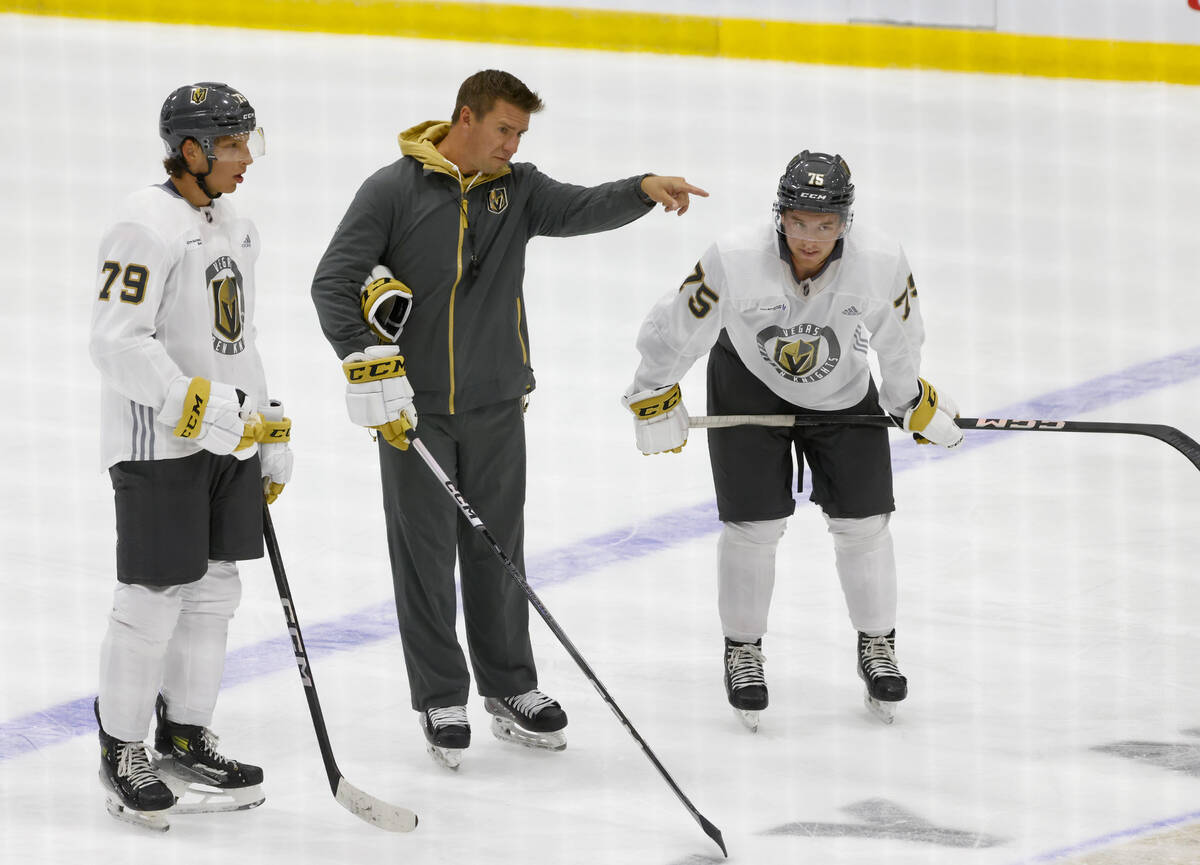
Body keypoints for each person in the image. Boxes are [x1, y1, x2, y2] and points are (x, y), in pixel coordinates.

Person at [311, 69, 706, 769]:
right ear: (464, 117)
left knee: (498, 553)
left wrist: (641, 188)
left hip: (497, 404)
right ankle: (440, 693)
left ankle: (510, 686)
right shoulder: (393, 190)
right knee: (425, 558)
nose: (512, 145)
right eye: (503, 130)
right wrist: (366, 360)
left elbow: (580, 208)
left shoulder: (516, 189)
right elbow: (333, 280)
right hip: (416, 413)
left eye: (520, 134)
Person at [622, 150, 962, 729]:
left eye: (826, 225)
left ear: (845, 222)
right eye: (800, 222)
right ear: (779, 215)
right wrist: (651, 389)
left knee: (865, 521)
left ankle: (877, 644)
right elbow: (678, 323)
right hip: (746, 383)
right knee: (753, 526)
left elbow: (901, 337)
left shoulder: (879, 262)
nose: (811, 238)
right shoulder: (734, 256)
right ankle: (743, 651)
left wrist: (907, 399)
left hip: (842, 389)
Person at [88, 82, 293, 829]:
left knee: (215, 590)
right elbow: (115, 344)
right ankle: (121, 748)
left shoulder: (233, 224)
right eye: (233, 145)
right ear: (193, 149)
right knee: (151, 599)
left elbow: (237, 340)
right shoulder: (142, 224)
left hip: (226, 441)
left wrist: (267, 423)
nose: (246, 159)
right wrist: (194, 408)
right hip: (159, 447)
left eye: (248, 143)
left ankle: (183, 734)